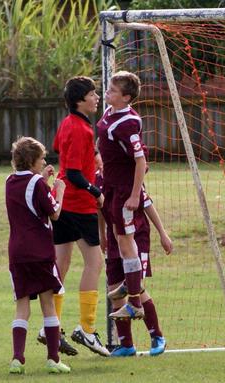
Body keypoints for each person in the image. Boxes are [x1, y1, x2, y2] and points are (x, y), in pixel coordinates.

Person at [38, 76, 110, 357]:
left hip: (61, 200)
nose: (97, 98)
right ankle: (87, 330)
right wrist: (96, 192)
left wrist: (90, 154)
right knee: (95, 262)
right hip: (79, 204)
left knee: (61, 264)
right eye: (93, 94)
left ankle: (49, 327)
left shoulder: (69, 122)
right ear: (81, 100)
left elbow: (59, 148)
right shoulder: (83, 129)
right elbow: (77, 174)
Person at [5, 136, 70, 374]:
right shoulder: (38, 183)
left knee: (22, 306)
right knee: (48, 304)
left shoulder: (9, 181)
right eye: (42, 158)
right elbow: (54, 212)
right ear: (32, 160)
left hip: (17, 253)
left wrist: (42, 181)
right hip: (40, 251)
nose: (44, 162)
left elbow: (28, 195)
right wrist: (58, 190)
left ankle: (17, 359)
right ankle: (53, 359)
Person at [97, 173, 173, 356]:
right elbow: (99, 208)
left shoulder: (128, 179)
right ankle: (126, 345)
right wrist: (102, 234)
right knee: (114, 290)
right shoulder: (97, 180)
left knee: (136, 287)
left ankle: (157, 336)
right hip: (114, 239)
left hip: (136, 236)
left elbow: (147, 205)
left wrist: (163, 234)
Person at [97, 70, 148, 320]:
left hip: (124, 191)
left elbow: (140, 161)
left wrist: (135, 195)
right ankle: (130, 284)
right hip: (111, 186)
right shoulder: (109, 113)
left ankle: (136, 303)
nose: (108, 92)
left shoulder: (128, 123)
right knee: (120, 240)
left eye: (114, 90)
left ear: (126, 97)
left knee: (127, 244)